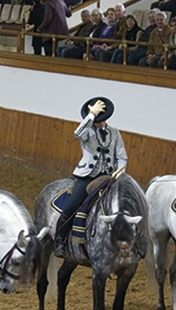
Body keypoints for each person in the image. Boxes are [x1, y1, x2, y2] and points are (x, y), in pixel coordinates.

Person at [53, 98, 127, 255]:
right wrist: (91, 115)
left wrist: (120, 170)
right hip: (87, 176)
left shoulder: (115, 132)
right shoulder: (86, 131)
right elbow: (77, 133)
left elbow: (121, 156)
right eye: (97, 121)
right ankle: (59, 239)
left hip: (109, 175)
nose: (100, 124)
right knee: (72, 206)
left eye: (102, 120)